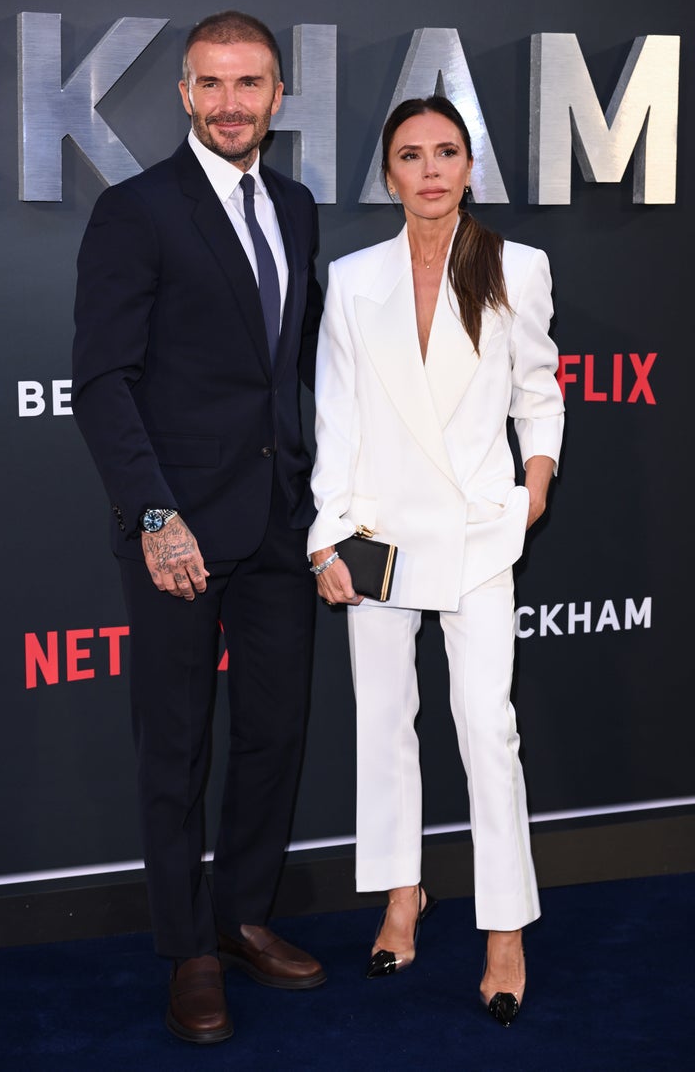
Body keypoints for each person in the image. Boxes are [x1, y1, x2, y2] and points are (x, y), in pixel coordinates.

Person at [72, 10, 325, 1045]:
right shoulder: (138, 211)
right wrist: (155, 515)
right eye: (211, 84)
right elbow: (102, 380)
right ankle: (186, 950)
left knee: (273, 735)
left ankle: (243, 915)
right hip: (178, 526)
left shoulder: (299, 207)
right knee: (176, 745)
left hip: (278, 521)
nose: (231, 103)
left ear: (277, 95)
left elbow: (291, 373)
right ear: (184, 94)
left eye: (250, 84)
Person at [307, 96, 564, 1026]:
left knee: (485, 728)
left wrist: (531, 488)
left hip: (477, 529)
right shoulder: (353, 276)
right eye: (410, 155)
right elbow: (337, 415)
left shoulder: (513, 266)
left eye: (446, 152)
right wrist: (325, 532)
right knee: (385, 721)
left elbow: (540, 394)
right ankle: (401, 896)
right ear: (387, 175)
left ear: (470, 167)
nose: (429, 169)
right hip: (376, 531)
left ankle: (504, 928)